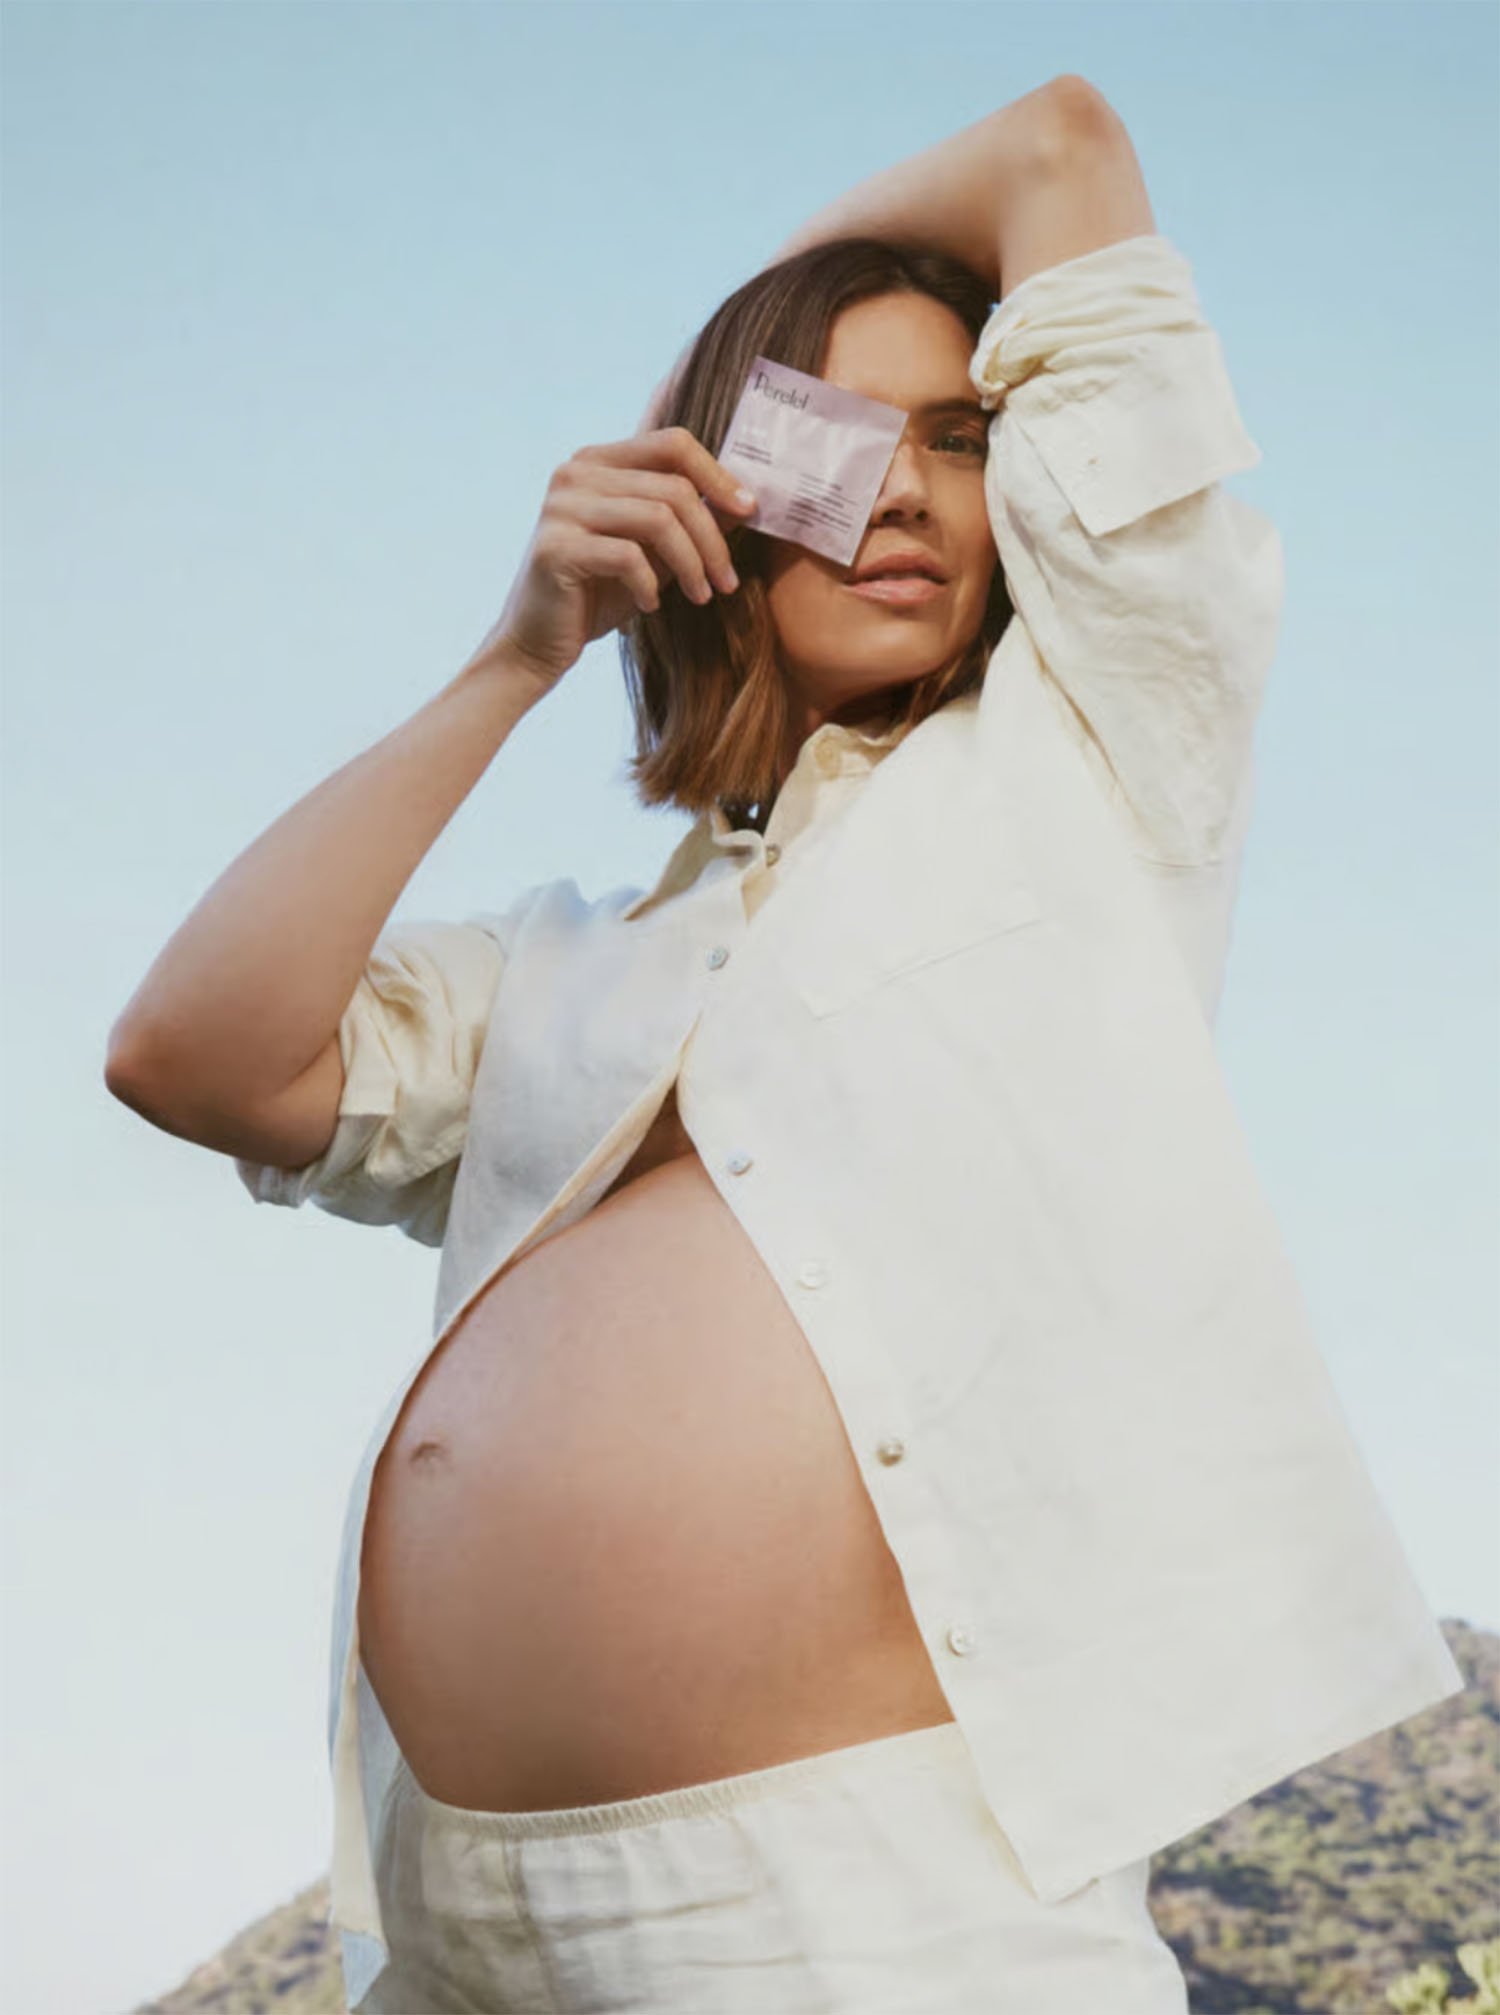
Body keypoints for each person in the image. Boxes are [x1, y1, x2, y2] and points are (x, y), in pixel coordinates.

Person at [105, 78, 1462, 2015]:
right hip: (460, 1933)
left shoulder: (1085, 773)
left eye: (959, 442)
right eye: (829, 443)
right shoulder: (565, 966)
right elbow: (193, 1054)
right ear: (727, 510)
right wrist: (521, 648)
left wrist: (740, 340)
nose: (902, 490)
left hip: (860, 1916)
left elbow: (1059, 145)